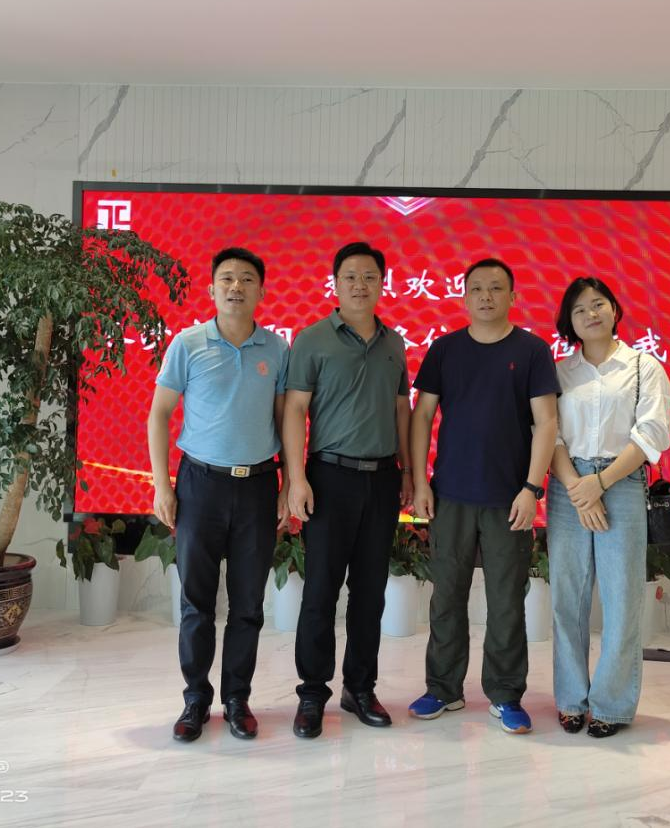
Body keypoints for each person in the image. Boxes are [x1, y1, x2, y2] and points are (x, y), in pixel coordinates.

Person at [408, 258, 559, 735]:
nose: (486, 296)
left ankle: (506, 694)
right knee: (446, 597)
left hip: (509, 498)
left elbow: (546, 423)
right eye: (476, 288)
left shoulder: (532, 350)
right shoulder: (445, 349)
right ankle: (443, 689)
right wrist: (420, 483)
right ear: (464, 296)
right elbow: (422, 416)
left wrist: (531, 489)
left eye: (496, 288)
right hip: (450, 495)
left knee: (507, 602)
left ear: (513, 296)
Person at [147, 247, 289, 743]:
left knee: (248, 603)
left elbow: (284, 420)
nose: (236, 287)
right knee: (196, 602)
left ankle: (237, 700)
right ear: (211, 289)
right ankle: (195, 699)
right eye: (226, 278)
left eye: (246, 279)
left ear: (261, 291)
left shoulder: (277, 349)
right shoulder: (187, 344)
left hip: (258, 486)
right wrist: (162, 485)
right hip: (200, 485)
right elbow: (159, 414)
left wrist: (288, 483)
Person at [283, 241, 413, 739]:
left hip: (382, 479)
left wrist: (407, 471)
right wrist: (296, 479)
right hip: (329, 478)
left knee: (370, 593)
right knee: (320, 590)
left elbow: (401, 411)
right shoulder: (312, 339)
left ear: (382, 283)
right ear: (335, 283)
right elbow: (295, 410)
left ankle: (360, 688)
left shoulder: (394, 344)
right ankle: (312, 693)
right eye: (351, 277)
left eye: (370, 277)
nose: (360, 285)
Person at [547, 276, 670, 738]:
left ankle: (611, 706)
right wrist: (578, 488)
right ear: (570, 321)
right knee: (567, 599)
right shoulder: (560, 373)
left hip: (620, 483)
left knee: (622, 599)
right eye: (579, 309)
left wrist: (600, 483)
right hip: (568, 485)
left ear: (615, 309)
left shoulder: (643, 367)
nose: (591, 314)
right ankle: (570, 700)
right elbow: (549, 435)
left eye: (598, 304)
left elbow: (651, 435)